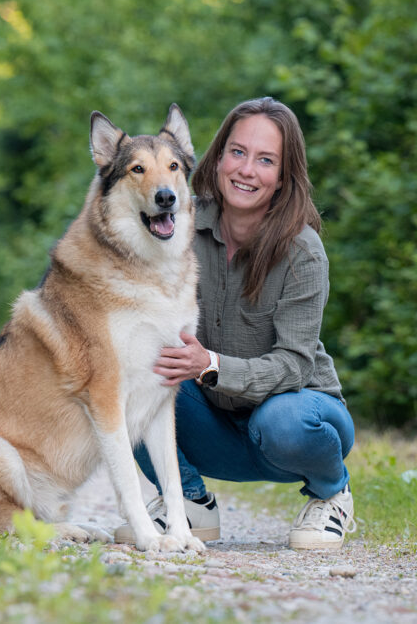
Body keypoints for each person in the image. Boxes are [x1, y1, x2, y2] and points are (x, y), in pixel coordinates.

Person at [114, 97, 355, 550]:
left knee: (284, 420)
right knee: (127, 384)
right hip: (213, 423)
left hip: (298, 420)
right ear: (218, 156)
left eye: (266, 160)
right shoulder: (174, 223)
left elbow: (294, 366)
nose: (246, 170)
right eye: (238, 152)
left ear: (283, 175)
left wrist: (211, 364)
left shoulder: (303, 251)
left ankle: (331, 494)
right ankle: (188, 502)